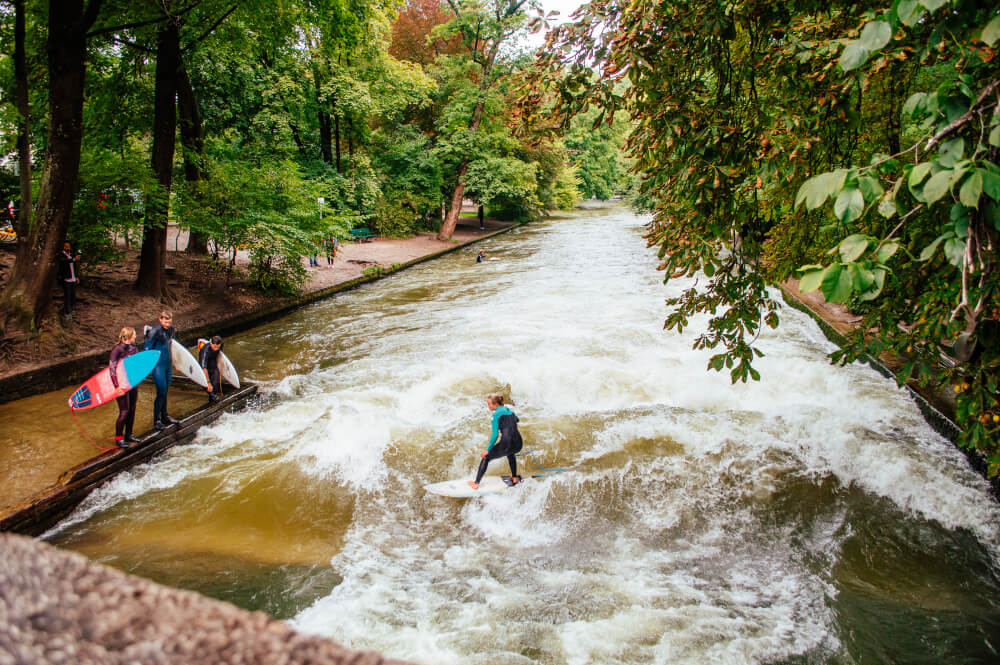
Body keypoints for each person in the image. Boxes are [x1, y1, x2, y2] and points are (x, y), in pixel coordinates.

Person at [468, 393, 523, 490]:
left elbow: (495, 435)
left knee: (486, 458)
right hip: (518, 443)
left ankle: (476, 483)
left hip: (507, 443)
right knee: (511, 454)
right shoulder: (510, 411)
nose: (488, 406)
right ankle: (514, 477)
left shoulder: (495, 416)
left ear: (496, 404)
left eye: (489, 404)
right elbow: (517, 420)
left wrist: (487, 450)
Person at [144, 309, 179, 430]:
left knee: (166, 391)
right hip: (158, 365)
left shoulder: (171, 329)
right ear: (160, 319)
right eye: (165, 322)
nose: (167, 324)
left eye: (169, 322)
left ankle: (165, 416)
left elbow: (171, 345)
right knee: (161, 392)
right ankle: (157, 420)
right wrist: (147, 368)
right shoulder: (154, 332)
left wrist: (176, 362)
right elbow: (147, 351)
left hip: (167, 364)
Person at [109, 327, 141, 448]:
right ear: (127, 337)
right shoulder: (116, 350)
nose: (136, 336)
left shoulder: (134, 348)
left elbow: (137, 364)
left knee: (132, 409)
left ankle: (129, 435)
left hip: (132, 382)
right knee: (124, 411)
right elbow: (111, 370)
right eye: (134, 335)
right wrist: (117, 386)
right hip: (121, 384)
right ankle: (119, 439)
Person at [56, 241, 82, 317]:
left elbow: (74, 267)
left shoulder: (71, 255)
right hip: (66, 279)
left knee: (73, 296)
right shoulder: (61, 255)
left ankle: (71, 310)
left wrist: (77, 277)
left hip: (73, 279)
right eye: (66, 247)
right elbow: (63, 262)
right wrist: (73, 259)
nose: (68, 248)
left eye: (68, 246)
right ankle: (67, 312)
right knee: (67, 296)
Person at [199, 335, 224, 403]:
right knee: (209, 388)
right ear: (211, 343)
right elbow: (203, 368)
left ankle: (212, 400)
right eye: (214, 347)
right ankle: (212, 400)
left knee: (215, 386)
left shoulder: (221, 345)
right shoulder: (205, 350)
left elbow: (220, 355)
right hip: (205, 368)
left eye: (218, 347)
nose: (216, 349)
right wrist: (208, 382)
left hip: (214, 366)